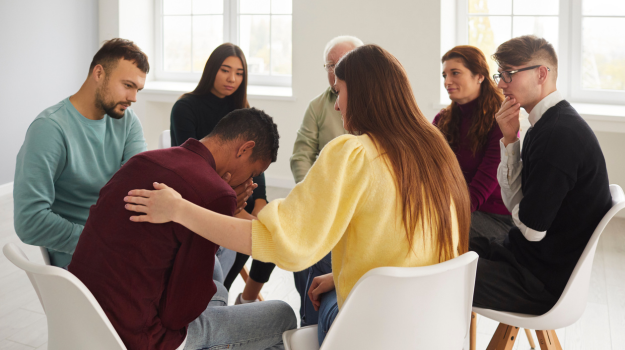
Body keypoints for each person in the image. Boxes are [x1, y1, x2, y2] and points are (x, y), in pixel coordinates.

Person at [123, 44, 472, 345]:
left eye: (340, 92)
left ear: (363, 94)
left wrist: (180, 209)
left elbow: (281, 242)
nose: (337, 106)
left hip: (369, 333)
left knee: (295, 307)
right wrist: (339, 276)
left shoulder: (352, 154)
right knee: (323, 282)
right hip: (433, 328)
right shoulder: (435, 151)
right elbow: (411, 244)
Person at [69, 108, 296, 350]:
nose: (248, 182)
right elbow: (176, 315)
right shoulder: (215, 193)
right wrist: (223, 197)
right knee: (283, 316)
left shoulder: (143, 160)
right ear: (244, 149)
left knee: (217, 288)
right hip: (140, 337)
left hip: (80, 316)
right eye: (253, 173)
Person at [471, 35, 612, 315]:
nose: (500, 84)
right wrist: (511, 139)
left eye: (509, 74)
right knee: (437, 241)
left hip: (537, 281)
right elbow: (518, 207)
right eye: (501, 74)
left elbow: (531, 229)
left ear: (542, 74)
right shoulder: (546, 125)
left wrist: (521, 214)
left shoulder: (558, 136)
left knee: (432, 271)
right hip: (523, 257)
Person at [13, 38, 149, 268]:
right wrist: (102, 240)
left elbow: (139, 189)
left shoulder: (127, 122)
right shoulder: (49, 129)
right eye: (128, 85)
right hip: (85, 258)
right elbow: (29, 221)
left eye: (138, 89)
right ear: (99, 73)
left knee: (203, 265)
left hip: (123, 243)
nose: (134, 98)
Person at [170, 43, 272, 302]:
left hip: (244, 194)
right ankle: (216, 296)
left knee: (271, 235)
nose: (232, 79)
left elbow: (255, 166)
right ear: (211, 70)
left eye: (239, 73)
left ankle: (245, 299)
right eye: (225, 70)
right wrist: (238, 209)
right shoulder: (185, 108)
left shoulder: (244, 111)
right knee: (250, 238)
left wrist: (259, 202)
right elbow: (188, 164)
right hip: (209, 195)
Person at [290, 35, 363, 326]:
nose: (335, 71)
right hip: (323, 199)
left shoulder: (373, 112)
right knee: (301, 240)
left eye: (342, 64)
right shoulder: (318, 106)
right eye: (330, 65)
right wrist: (314, 196)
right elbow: (300, 156)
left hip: (354, 207)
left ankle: (315, 318)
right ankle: (309, 312)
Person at [434, 45, 513, 245]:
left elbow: (481, 188)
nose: (447, 81)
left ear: (479, 76)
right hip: (456, 207)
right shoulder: (443, 119)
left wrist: (443, 213)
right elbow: (427, 167)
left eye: (455, 73)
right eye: (444, 75)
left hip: (495, 217)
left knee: (430, 227)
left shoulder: (501, 121)